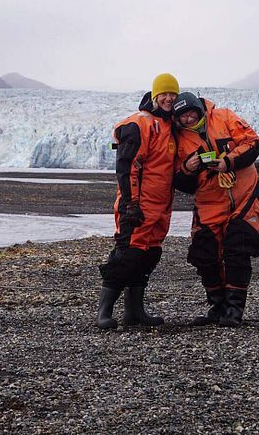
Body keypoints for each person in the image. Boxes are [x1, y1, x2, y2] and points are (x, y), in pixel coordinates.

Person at [172, 91, 259, 327]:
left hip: (244, 195)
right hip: (209, 202)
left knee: (238, 248)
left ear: (198, 108)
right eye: (183, 117)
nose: (189, 120)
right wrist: (188, 167)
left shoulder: (223, 117)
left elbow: (253, 142)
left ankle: (234, 310)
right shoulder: (180, 139)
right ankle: (217, 306)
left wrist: (228, 162)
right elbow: (181, 182)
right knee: (205, 254)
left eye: (191, 113)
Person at [96, 73, 180, 329]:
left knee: (148, 255)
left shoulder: (170, 125)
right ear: (155, 96)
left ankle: (134, 311)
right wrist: (131, 203)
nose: (169, 98)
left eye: (173, 94)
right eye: (164, 94)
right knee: (127, 254)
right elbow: (127, 166)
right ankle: (104, 311)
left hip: (160, 206)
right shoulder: (140, 124)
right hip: (138, 204)